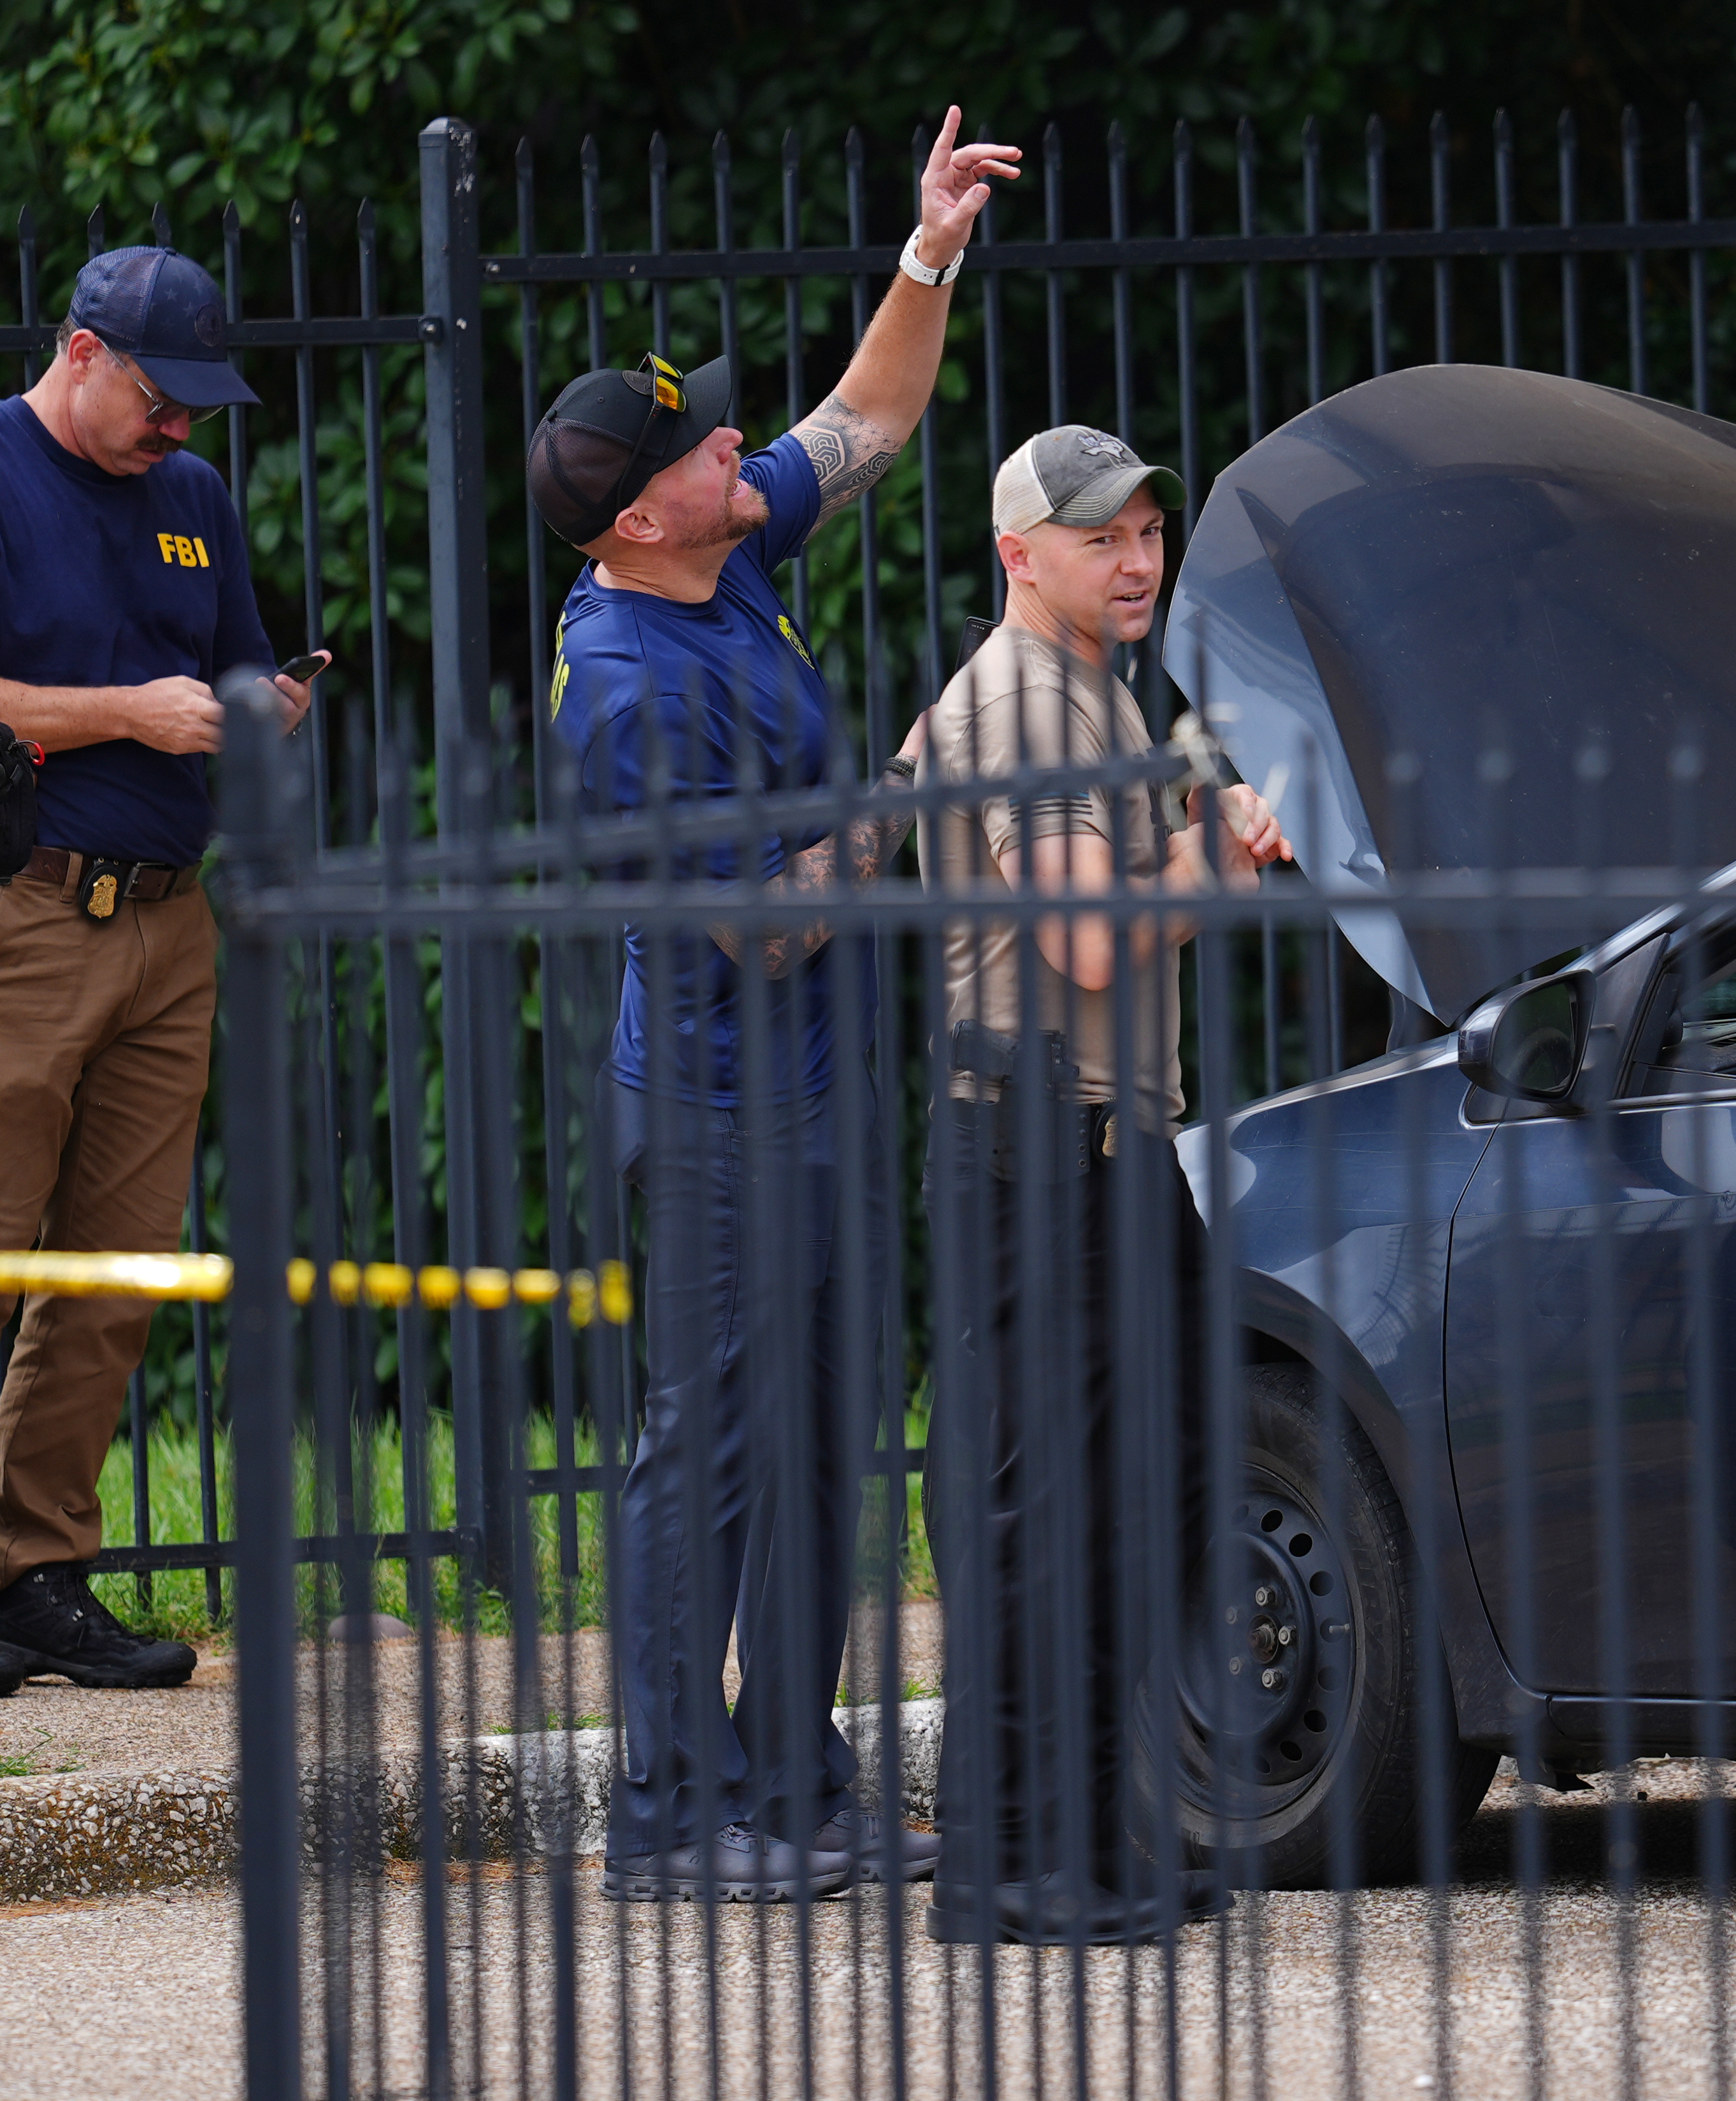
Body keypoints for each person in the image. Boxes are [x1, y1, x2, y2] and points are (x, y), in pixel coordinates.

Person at [543, 109, 1020, 1906]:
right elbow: (768, 935)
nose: (736, 442)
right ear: (634, 512)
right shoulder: (628, 686)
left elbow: (868, 418)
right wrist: (908, 790)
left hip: (808, 1097)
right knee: (711, 1445)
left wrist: (928, 249)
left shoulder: (722, 545)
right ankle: (668, 1816)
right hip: (715, 1109)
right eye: (700, 443)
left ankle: (799, 1783)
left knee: (822, 1436)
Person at [0, 247, 317, 1698]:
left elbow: (226, 670)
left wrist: (259, 708)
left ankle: (38, 1568)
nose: (179, 427)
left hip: (172, 917)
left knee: (114, 1269)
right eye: (161, 398)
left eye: (198, 408)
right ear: (83, 351)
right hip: (20, 910)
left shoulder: (194, 496)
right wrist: (130, 715)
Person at [919, 421, 1291, 1947]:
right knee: (1047, 1509)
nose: (1137, 562)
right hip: (1037, 1151)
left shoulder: (1097, 692)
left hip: (1111, 1145)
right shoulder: (1024, 700)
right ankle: (1004, 1857)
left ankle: (1082, 1826)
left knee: (1166, 1474)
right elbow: (1083, 940)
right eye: (1101, 539)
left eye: (1146, 533)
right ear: (1021, 555)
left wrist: (1205, 833)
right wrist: (1218, 866)